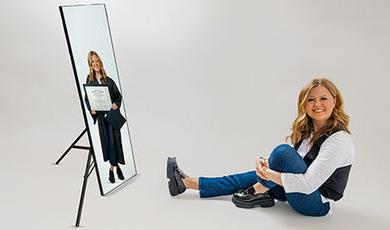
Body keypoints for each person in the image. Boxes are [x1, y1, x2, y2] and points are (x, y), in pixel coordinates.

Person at [166, 78, 354, 216]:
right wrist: (267, 166)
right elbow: (294, 166)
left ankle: (258, 190)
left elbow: (307, 184)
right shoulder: (308, 131)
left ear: (334, 101)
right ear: (304, 104)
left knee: (281, 152)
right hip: (296, 191)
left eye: (324, 98)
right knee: (248, 175)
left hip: (315, 203)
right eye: (311, 99)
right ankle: (186, 183)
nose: (317, 104)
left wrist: (268, 173)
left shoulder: (339, 141)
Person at [85, 50, 126, 184]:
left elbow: (118, 96)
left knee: (114, 142)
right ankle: (116, 167)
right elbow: (88, 98)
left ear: (100, 62)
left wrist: (116, 104)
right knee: (107, 143)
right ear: (90, 64)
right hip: (102, 119)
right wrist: (92, 109)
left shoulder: (108, 80)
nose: (95, 64)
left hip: (112, 117)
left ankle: (111, 169)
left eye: (97, 61)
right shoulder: (89, 80)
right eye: (93, 62)